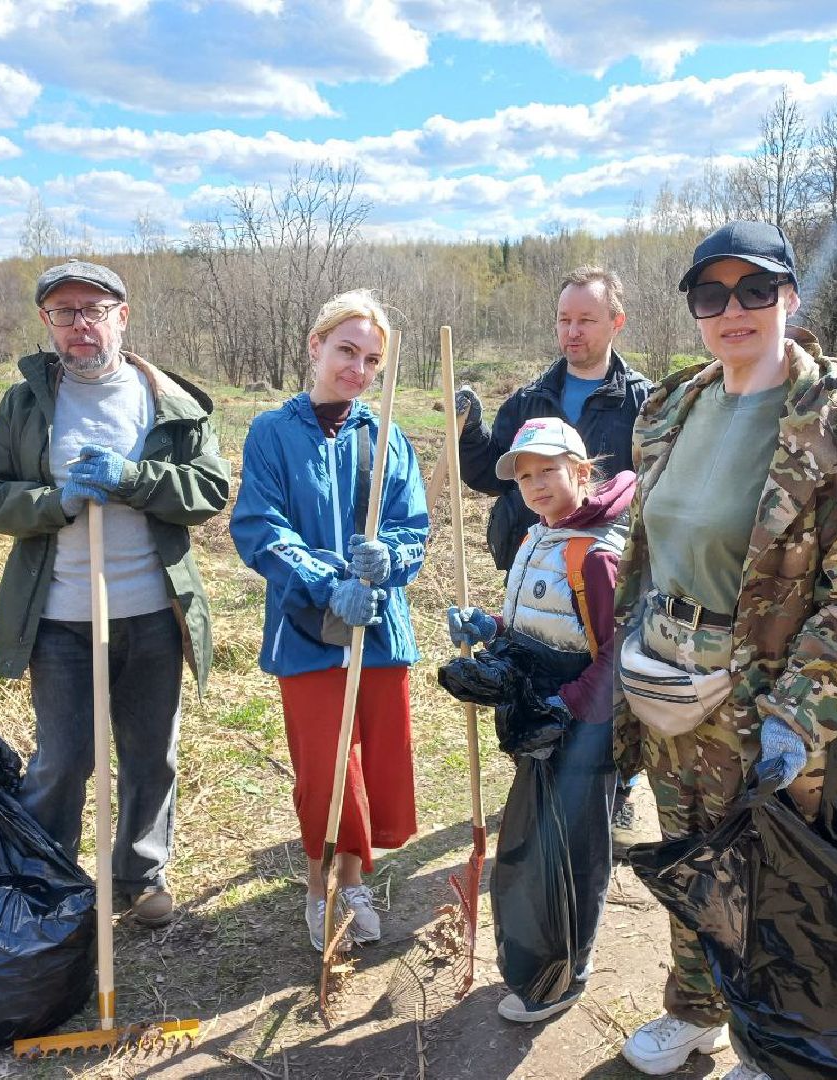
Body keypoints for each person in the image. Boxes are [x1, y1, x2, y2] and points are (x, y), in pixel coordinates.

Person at [613, 222, 837, 1079]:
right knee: (691, 865)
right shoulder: (672, 407)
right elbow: (650, 550)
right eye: (711, 295)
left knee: (773, 887)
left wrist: (801, 713)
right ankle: (695, 1011)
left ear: (791, 296)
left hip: (766, 704)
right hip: (668, 694)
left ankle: (774, 1040)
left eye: (756, 290)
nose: (734, 310)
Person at [0, 259, 230, 929]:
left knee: (150, 756)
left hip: (151, 614)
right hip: (58, 619)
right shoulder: (26, 404)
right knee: (63, 758)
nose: (81, 325)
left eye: (94, 310)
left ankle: (139, 879)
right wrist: (53, 502)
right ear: (47, 323)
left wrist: (136, 479)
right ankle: (49, 882)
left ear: (122, 316)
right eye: (64, 312)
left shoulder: (169, 401)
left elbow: (210, 492)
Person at [230, 289, 429, 952]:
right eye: (346, 350)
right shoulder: (272, 433)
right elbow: (260, 528)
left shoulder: (387, 434)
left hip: (379, 631)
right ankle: (318, 892)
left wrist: (388, 556)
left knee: (371, 769)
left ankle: (353, 882)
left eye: (371, 358)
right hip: (309, 635)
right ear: (315, 346)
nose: (357, 367)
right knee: (325, 770)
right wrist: (325, 583)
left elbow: (413, 529)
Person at [442, 417, 635, 1023]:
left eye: (548, 470)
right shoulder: (537, 538)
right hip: (545, 729)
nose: (534, 485)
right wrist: (491, 631)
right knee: (529, 850)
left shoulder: (597, 557)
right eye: (523, 476)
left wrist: (565, 709)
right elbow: (540, 628)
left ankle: (563, 976)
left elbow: (615, 657)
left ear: (582, 471)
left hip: (583, 735)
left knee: (570, 857)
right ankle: (542, 962)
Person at [453, 266, 652, 848]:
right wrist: (469, 430)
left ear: (615, 322)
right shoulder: (530, 398)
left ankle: (612, 788)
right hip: (532, 554)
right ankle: (540, 767)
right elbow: (489, 474)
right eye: (564, 320)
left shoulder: (641, 401)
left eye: (586, 320)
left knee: (603, 665)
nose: (572, 332)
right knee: (538, 665)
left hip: (601, 565)